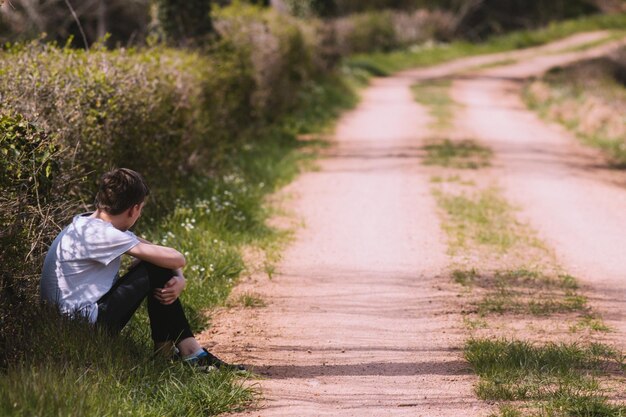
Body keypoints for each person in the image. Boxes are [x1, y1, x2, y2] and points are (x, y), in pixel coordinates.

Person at [40, 168, 244, 372]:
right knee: (155, 266)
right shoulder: (106, 235)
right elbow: (176, 258)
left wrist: (178, 276)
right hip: (82, 328)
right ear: (134, 210)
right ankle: (189, 353)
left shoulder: (86, 224)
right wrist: (177, 274)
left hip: (66, 325)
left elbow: (163, 255)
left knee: (155, 263)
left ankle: (167, 354)